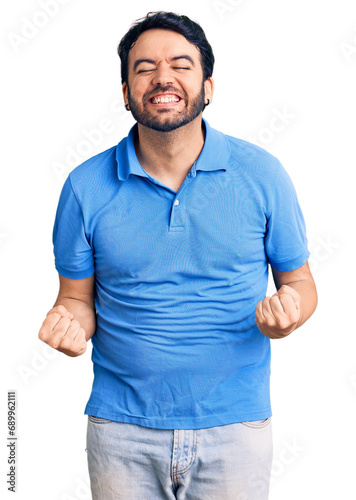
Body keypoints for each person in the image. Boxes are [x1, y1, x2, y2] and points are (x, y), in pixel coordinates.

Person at [38, 11, 317, 500]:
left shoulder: (263, 174)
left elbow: (301, 284)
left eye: (181, 64)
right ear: (126, 92)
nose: (162, 76)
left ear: (208, 87)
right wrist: (70, 324)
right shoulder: (84, 186)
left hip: (236, 426)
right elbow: (77, 298)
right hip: (121, 430)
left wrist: (289, 314)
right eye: (144, 68)